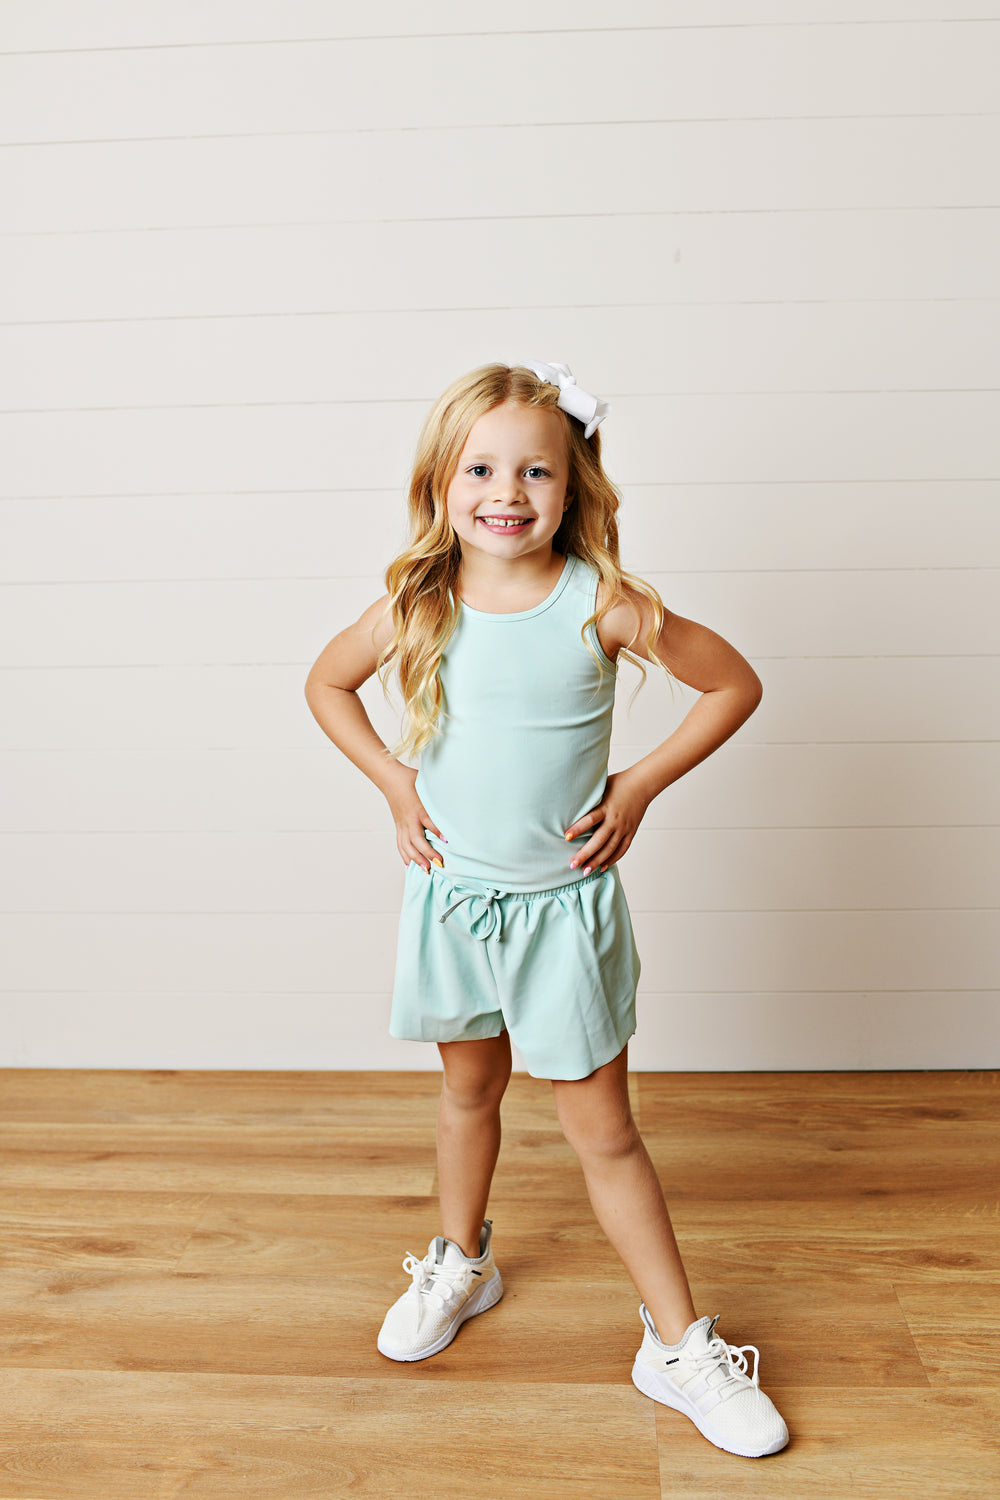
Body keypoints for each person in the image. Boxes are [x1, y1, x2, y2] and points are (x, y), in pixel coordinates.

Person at [304, 361, 789, 1459]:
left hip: (562, 914)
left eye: (535, 470)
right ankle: (460, 1261)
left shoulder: (602, 605)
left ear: (574, 487)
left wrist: (638, 783)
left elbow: (733, 684)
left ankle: (677, 1344)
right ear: (441, 483)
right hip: (452, 904)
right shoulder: (415, 607)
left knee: (602, 1131)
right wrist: (393, 780)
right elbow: (325, 683)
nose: (505, 491)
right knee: (466, 1091)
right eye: (480, 468)